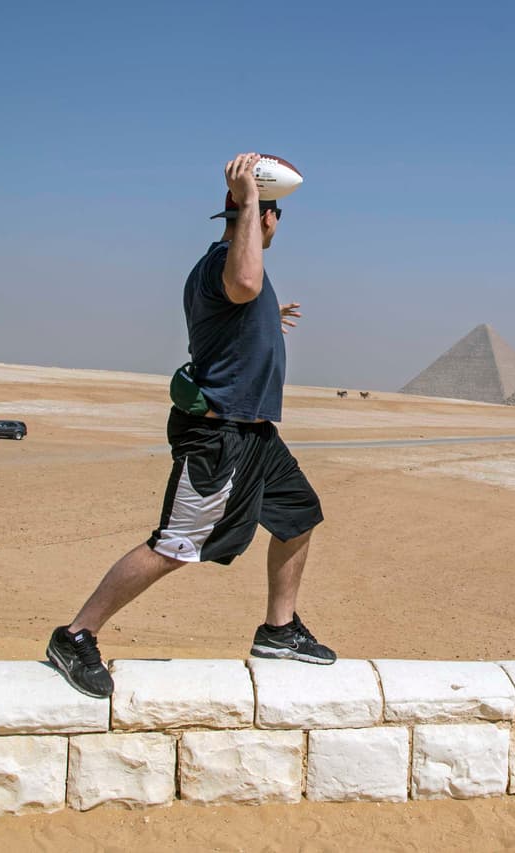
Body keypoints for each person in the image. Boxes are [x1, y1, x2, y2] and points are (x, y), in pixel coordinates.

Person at [46, 152, 336, 699]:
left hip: (257, 434)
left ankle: (279, 630)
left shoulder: (236, 273)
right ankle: (76, 634)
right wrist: (250, 198)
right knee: (176, 544)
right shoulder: (224, 264)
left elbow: (238, 305)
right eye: (271, 217)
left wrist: (263, 324)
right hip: (219, 435)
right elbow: (243, 282)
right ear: (267, 218)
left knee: (299, 515)